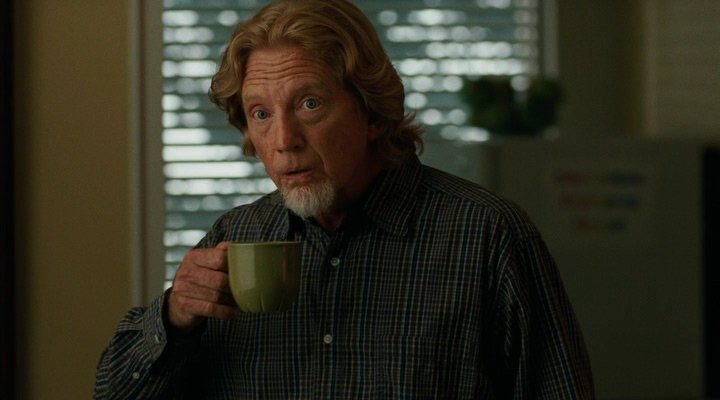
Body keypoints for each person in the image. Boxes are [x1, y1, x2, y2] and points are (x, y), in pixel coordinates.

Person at [94, 0, 594, 398]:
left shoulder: (488, 235)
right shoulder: (234, 237)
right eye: (260, 113)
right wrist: (173, 316)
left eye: (309, 103)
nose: (283, 140)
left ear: (371, 112)